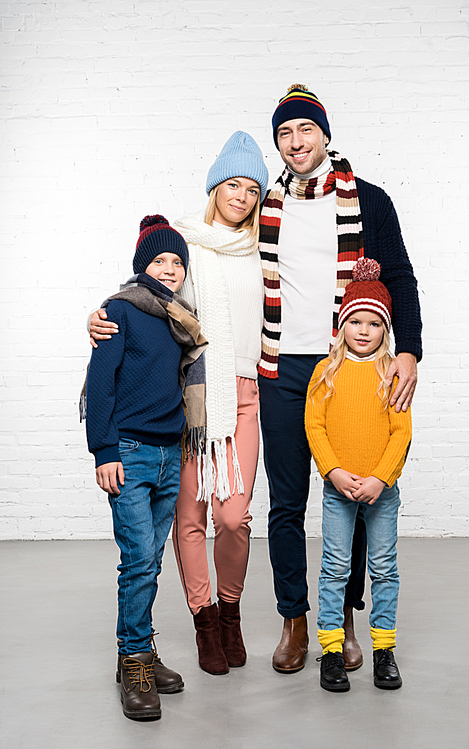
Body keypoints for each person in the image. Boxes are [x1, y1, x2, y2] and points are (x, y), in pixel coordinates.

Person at [89, 131, 268, 676]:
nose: (240, 196)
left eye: (252, 189)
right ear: (214, 185)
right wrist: (98, 319)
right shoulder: (182, 245)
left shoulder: (264, 250)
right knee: (187, 520)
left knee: (233, 519)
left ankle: (232, 611)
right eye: (231, 183)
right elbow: (143, 299)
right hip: (190, 402)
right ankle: (205, 620)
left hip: (242, 396)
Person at [258, 84, 422, 673]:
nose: (296, 142)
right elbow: (209, 255)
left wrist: (410, 352)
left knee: (349, 490)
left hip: (347, 366)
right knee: (286, 501)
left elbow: (400, 277)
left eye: (305, 130)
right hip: (282, 366)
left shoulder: (368, 201)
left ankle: (343, 616)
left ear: (325, 135)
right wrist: (122, 306)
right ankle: (295, 619)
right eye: (284, 133)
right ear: (277, 143)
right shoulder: (263, 207)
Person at [83, 216, 206, 720]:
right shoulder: (121, 311)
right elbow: (102, 382)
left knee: (151, 559)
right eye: (161, 260)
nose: (171, 269)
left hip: (169, 453)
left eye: (178, 262)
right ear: (142, 266)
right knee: (136, 559)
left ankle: (139, 650)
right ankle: (133, 660)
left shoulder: (180, 320)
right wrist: (104, 451)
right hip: (129, 453)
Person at [305, 258, 411, 692]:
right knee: (335, 568)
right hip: (339, 489)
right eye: (356, 321)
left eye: (374, 323)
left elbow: (401, 433)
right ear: (342, 324)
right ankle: (331, 650)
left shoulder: (392, 375)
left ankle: (384, 649)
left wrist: (380, 478)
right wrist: (334, 472)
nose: (364, 331)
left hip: (381, 491)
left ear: (386, 330)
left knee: (384, 567)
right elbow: (315, 426)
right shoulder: (326, 373)